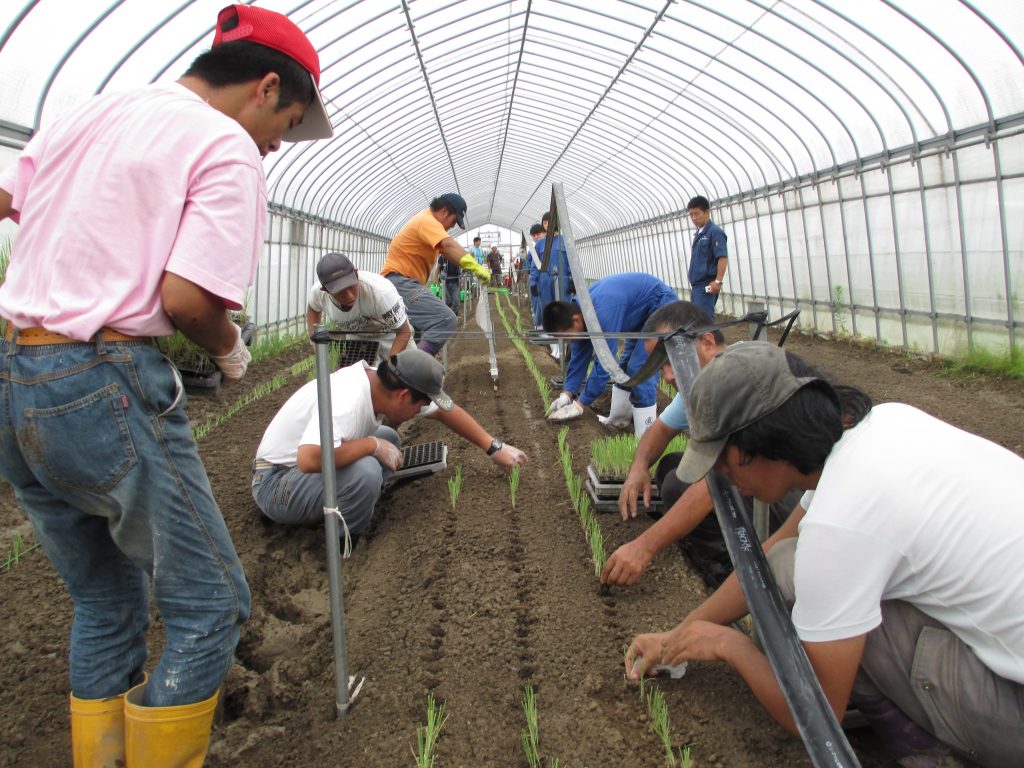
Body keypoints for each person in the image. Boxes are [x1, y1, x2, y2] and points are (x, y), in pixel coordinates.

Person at [0, 4, 332, 765]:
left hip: (16, 377)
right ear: (267, 86)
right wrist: (231, 351)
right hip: (100, 384)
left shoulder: (92, 111)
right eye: (287, 123)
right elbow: (187, 300)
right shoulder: (225, 145)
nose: (279, 144)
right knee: (211, 604)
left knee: (105, 598)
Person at [625, 342, 1024, 768]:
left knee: (846, 616)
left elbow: (817, 715)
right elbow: (774, 554)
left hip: (1013, 708)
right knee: (790, 565)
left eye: (722, 462)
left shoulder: (843, 522)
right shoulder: (884, 424)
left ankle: (929, 757)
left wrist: (727, 644)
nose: (723, 477)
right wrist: (679, 636)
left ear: (757, 443)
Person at [252, 349, 528, 544]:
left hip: (298, 475)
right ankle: (344, 542)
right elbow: (309, 459)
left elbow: (445, 411)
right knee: (367, 471)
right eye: (420, 404)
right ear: (404, 395)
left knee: (390, 439)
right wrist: (372, 445)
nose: (423, 409)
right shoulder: (347, 400)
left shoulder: (381, 384)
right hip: (276, 483)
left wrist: (494, 448)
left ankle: (356, 500)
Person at [543, 272, 678, 436]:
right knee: (625, 366)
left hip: (660, 306)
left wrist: (580, 404)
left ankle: (645, 433)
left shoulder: (602, 312)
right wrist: (567, 394)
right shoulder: (582, 314)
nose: (567, 341)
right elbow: (579, 359)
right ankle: (619, 420)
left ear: (576, 320)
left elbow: (605, 365)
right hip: (638, 317)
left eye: (566, 336)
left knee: (640, 369)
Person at [380, 194, 490, 356]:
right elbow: (448, 244)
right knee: (445, 319)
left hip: (404, 282)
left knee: (413, 334)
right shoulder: (426, 221)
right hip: (400, 282)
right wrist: (476, 268)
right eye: (453, 221)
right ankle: (414, 368)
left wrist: (473, 267)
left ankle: (399, 371)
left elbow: (447, 250)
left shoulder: (428, 224)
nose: (452, 227)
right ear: (444, 211)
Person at [306, 252, 412, 359]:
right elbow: (313, 309)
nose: (349, 296)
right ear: (325, 290)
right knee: (359, 374)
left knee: (405, 372)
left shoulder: (380, 292)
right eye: (340, 291)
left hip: (392, 335)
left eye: (351, 286)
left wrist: (389, 367)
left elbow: (403, 332)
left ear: (356, 273)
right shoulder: (318, 294)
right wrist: (315, 341)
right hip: (357, 338)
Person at [685, 195, 728, 319]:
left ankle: (712, 338)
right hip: (696, 286)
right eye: (691, 215)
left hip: (705, 286)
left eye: (696, 214)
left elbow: (722, 257)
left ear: (707, 212)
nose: (693, 218)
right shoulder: (699, 233)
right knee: (697, 320)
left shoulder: (715, 232)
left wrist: (718, 281)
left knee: (704, 321)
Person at [436, 253, 463, 317]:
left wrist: (461, 281)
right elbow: (438, 268)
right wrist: (435, 278)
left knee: (456, 301)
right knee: (448, 301)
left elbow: (460, 270)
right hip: (445, 282)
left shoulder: (457, 256)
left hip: (455, 282)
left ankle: (453, 316)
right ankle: (448, 315)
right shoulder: (442, 257)